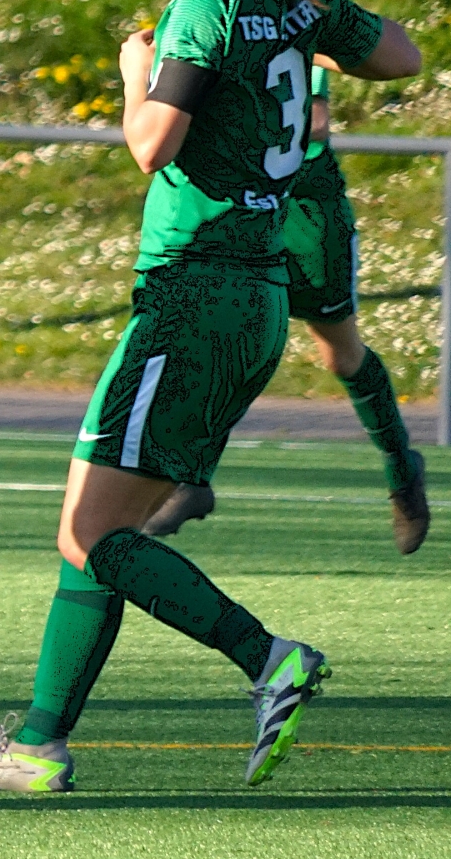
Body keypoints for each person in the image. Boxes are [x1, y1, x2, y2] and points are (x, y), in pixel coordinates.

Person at [0, 0, 422, 794]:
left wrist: (132, 77)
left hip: (190, 297)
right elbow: (403, 57)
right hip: (254, 300)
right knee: (95, 531)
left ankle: (268, 658)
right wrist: (311, 14)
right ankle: (38, 747)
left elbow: (151, 144)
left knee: (93, 535)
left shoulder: (203, 8)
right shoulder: (297, 0)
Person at [141, 62, 430, 553]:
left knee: (341, 355)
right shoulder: (201, 27)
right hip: (238, 206)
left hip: (304, 210)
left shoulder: (294, 27)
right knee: (227, 334)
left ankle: (402, 467)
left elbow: (315, 122)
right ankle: (191, 478)